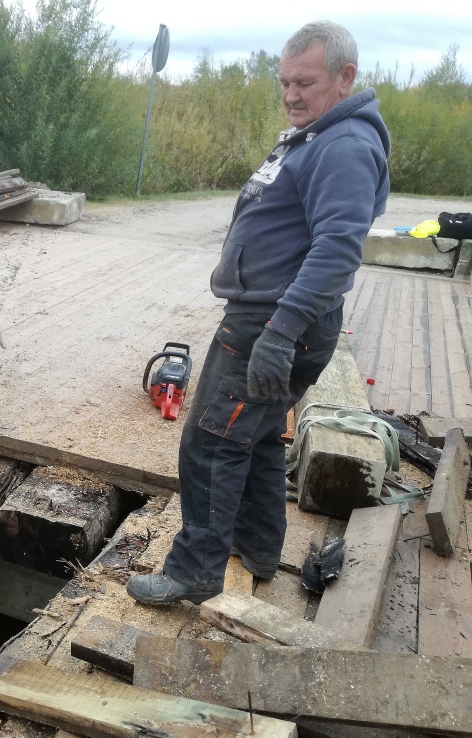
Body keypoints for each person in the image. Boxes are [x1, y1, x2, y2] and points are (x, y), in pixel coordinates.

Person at [126, 21, 390, 604]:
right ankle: (260, 548)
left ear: (345, 78)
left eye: (306, 82)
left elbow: (339, 250)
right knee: (260, 435)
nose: (292, 94)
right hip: (271, 321)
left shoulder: (344, 146)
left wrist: (280, 331)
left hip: (270, 327)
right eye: (285, 82)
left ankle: (194, 572)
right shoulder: (315, 134)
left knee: (212, 443)